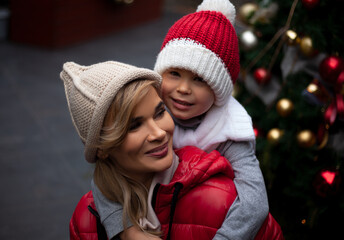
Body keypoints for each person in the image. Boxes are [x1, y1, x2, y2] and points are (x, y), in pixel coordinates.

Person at [93, 0, 271, 239]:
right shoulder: (149, 109)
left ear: (219, 90)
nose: (183, 89)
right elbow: (107, 171)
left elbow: (255, 200)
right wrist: (126, 228)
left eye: (199, 79)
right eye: (174, 74)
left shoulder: (229, 133)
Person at [61, 61, 239, 240]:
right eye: (135, 125)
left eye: (160, 113)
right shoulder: (86, 218)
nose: (159, 133)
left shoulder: (220, 199)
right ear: (102, 149)